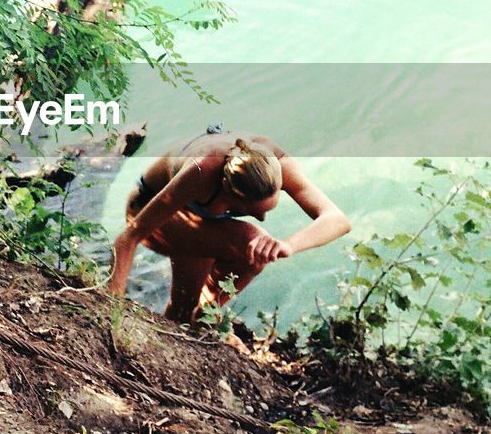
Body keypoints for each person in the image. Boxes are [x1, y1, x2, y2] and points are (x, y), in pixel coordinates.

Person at [107, 129, 351, 322]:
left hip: (201, 225)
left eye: (265, 211)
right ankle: (197, 321)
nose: (261, 218)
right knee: (251, 239)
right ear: (225, 187)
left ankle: (203, 320)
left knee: (184, 311)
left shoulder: (273, 163)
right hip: (152, 212)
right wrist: (110, 310)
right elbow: (130, 236)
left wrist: (288, 245)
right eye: (246, 212)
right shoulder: (204, 168)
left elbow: (337, 220)